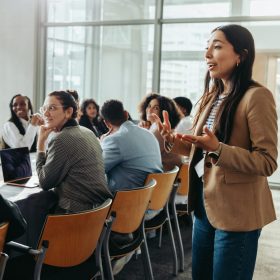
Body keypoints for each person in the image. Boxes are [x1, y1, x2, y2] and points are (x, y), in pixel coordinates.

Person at [153, 24, 277, 280]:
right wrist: (171, 140)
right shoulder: (212, 96)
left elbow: (267, 161)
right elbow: (200, 150)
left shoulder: (257, 97)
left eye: (217, 46)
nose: (208, 54)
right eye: (206, 47)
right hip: (204, 207)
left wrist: (219, 148)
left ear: (241, 55)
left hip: (237, 213)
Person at [36, 91, 112, 213]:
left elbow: (44, 182)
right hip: (100, 212)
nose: (45, 113)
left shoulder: (61, 139)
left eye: (52, 108)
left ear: (68, 112)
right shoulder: (87, 132)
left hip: (77, 216)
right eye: (44, 108)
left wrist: (40, 144)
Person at [100, 99, 162, 194]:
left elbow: (97, 170)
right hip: (154, 199)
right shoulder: (149, 134)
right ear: (126, 114)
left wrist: (101, 144)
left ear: (107, 123)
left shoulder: (114, 140)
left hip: (130, 203)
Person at [138, 93, 183, 171]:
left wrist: (141, 132)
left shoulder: (159, 131)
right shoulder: (154, 128)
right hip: (163, 175)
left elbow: (141, 154)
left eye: (156, 108)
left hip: (160, 176)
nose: (150, 110)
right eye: (149, 106)